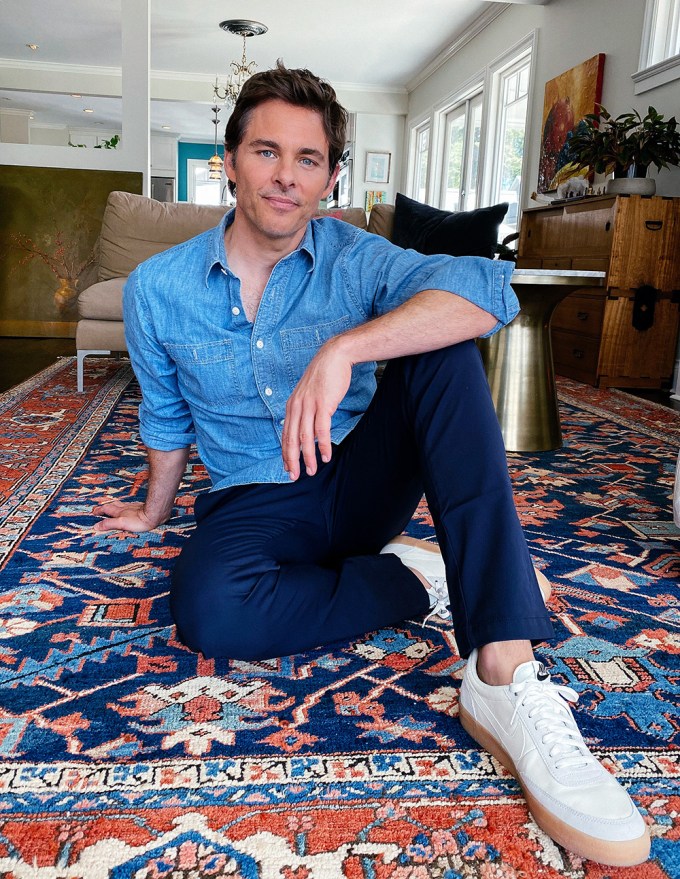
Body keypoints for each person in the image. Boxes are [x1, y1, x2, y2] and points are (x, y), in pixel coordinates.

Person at [92, 62, 649, 867]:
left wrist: (347, 345)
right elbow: (167, 416)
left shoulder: (358, 257)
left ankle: (503, 670)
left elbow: (486, 290)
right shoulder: (155, 289)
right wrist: (151, 510)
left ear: (331, 176)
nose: (286, 176)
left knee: (443, 342)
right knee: (210, 611)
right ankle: (416, 580)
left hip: (360, 477)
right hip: (252, 498)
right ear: (231, 160)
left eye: (308, 159)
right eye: (266, 152)